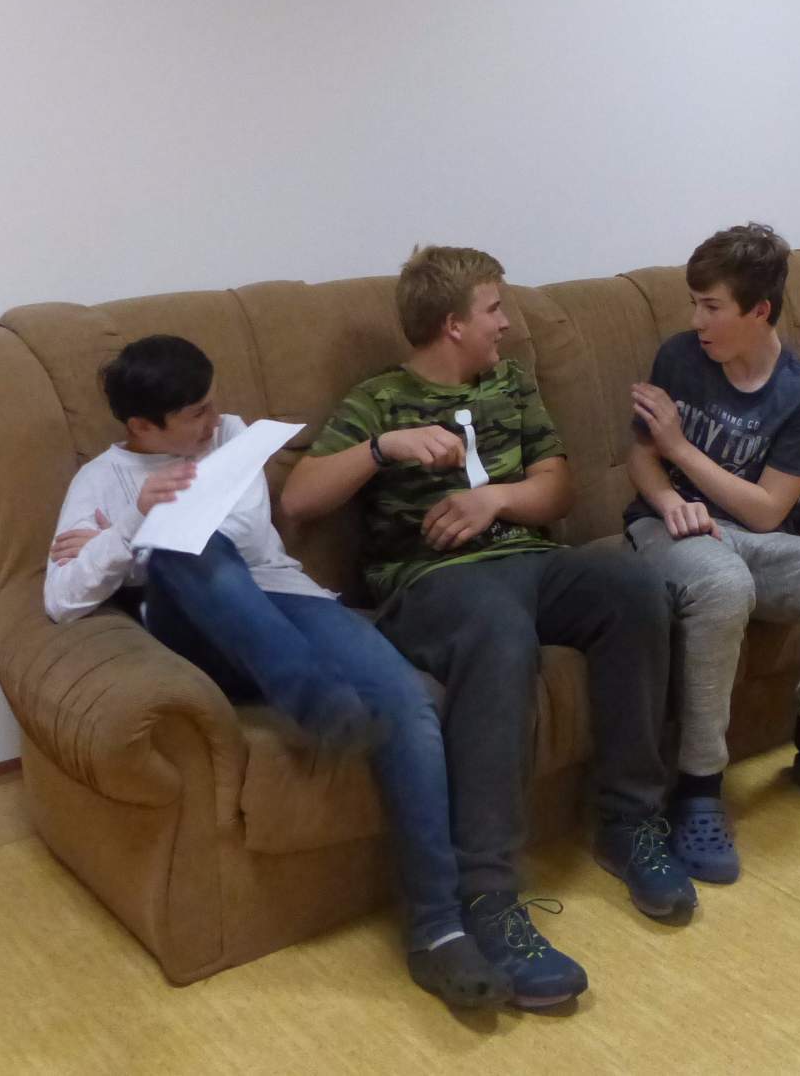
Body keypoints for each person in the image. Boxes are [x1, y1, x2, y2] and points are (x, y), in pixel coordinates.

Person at [279, 246, 692, 1012]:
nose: (507, 323)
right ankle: (488, 897)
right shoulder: (380, 399)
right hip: (431, 585)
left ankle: (628, 821)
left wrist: (494, 500)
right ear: (453, 323)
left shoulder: (511, 383)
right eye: (494, 309)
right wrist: (381, 449)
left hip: (533, 560)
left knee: (634, 585)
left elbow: (558, 488)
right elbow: (299, 499)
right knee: (499, 629)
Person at [43, 333, 510, 1009]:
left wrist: (127, 537)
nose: (215, 420)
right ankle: (314, 698)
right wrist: (132, 526)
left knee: (406, 703)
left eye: (213, 403)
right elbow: (61, 599)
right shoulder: (100, 480)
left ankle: (438, 931)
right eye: (196, 415)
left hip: (285, 601)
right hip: (195, 634)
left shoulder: (233, 437)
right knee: (178, 547)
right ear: (142, 426)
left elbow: (243, 537)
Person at [624, 223, 800, 886]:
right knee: (723, 586)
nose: (697, 320)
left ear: (759, 311)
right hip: (666, 528)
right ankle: (698, 786)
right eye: (695, 303)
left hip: (760, 533)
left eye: (711, 307)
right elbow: (642, 457)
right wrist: (669, 499)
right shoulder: (679, 357)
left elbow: (768, 511)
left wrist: (682, 449)